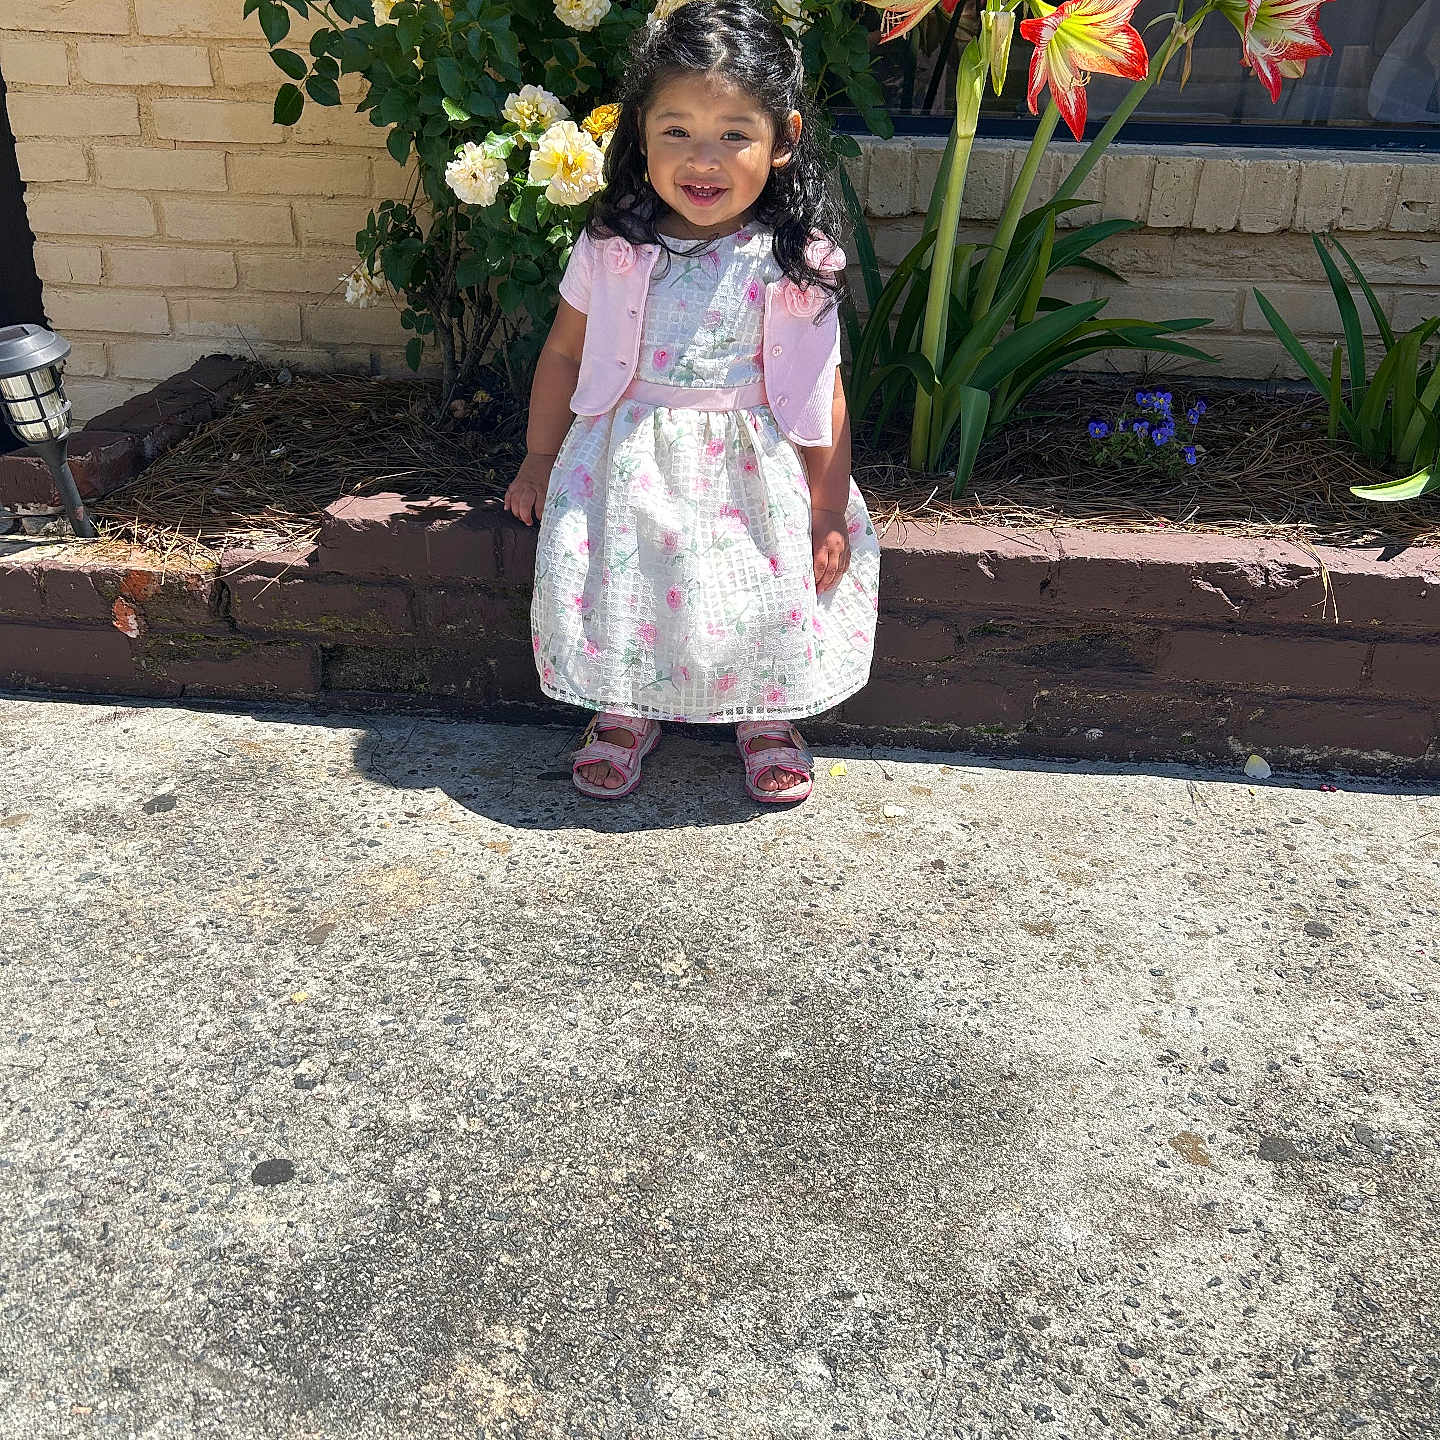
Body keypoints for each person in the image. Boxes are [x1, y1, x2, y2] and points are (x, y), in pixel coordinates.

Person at [504, 0, 879, 805]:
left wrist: (825, 509)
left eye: (734, 134)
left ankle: (768, 713)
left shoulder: (795, 262)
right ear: (639, 134)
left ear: (784, 141)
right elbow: (565, 352)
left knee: (755, 587)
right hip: (628, 463)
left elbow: (825, 395)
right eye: (676, 130)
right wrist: (539, 456)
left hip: (752, 471)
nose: (702, 159)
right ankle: (624, 709)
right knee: (623, 578)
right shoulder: (612, 247)